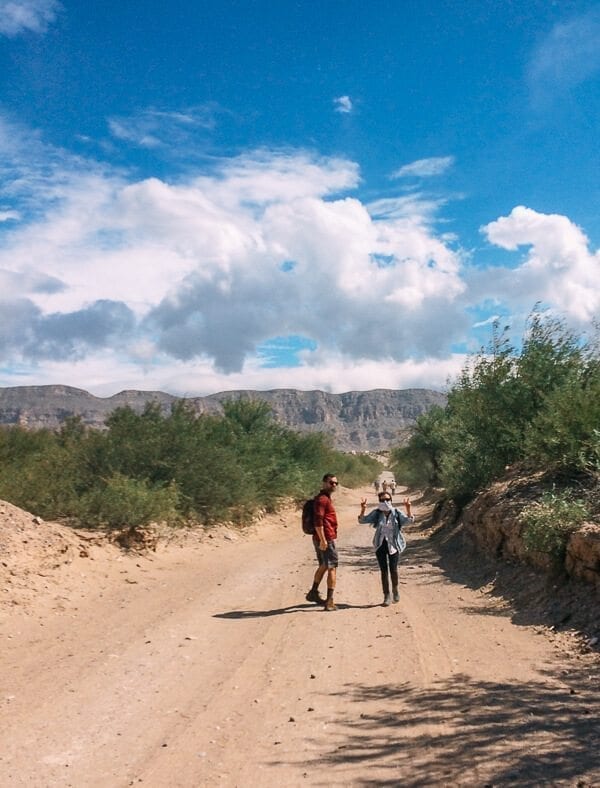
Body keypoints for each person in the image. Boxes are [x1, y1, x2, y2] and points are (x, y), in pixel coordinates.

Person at [358, 492, 414, 606]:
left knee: (393, 569)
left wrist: (408, 508)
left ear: (391, 500)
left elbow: (409, 521)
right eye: (383, 500)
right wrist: (363, 509)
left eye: (388, 500)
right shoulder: (377, 513)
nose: (386, 502)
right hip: (380, 544)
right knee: (384, 570)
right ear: (379, 501)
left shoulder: (396, 512)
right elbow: (362, 520)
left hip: (394, 545)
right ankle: (386, 596)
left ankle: (395, 590)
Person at [305, 473, 340, 611]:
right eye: (331, 483)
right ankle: (329, 601)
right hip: (325, 538)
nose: (334, 485)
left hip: (322, 538)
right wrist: (323, 540)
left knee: (325, 565)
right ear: (324, 483)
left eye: (336, 483)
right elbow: (318, 521)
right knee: (332, 567)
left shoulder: (325, 499)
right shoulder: (322, 500)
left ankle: (313, 592)